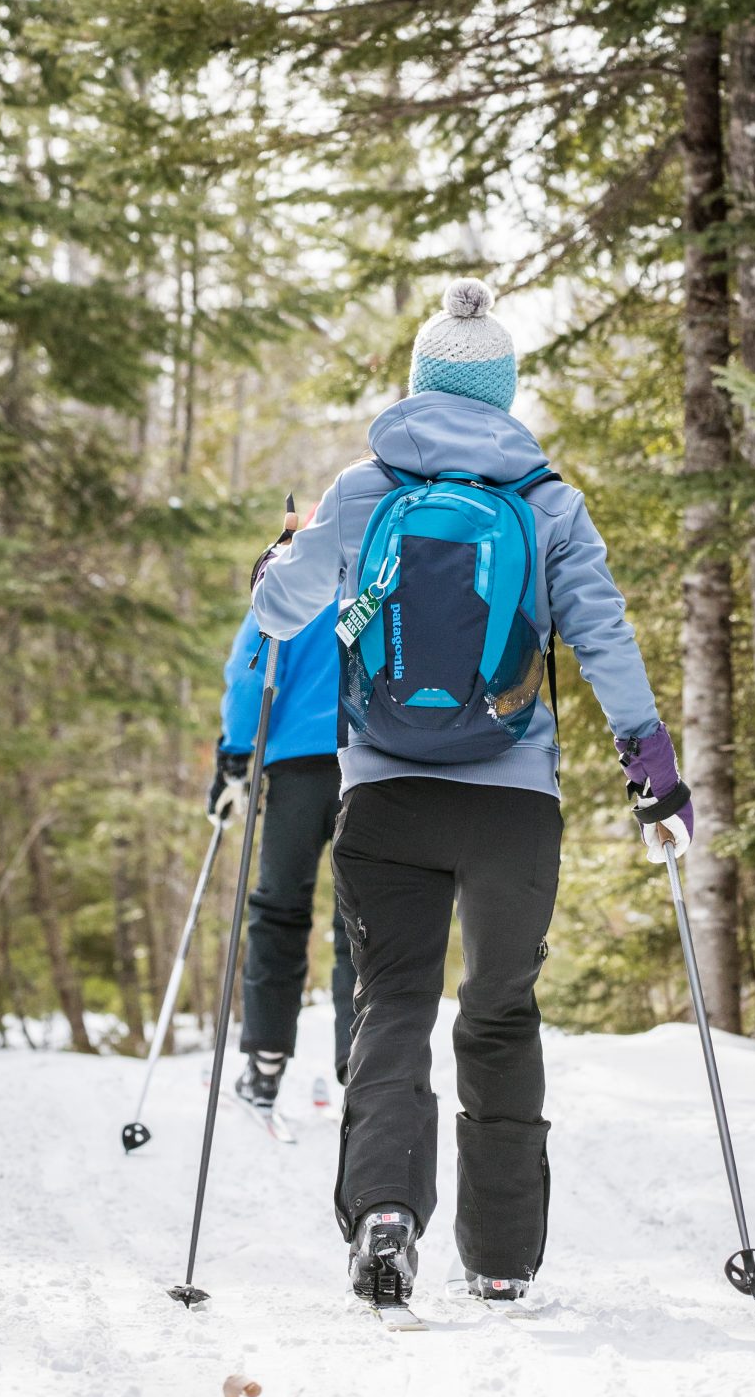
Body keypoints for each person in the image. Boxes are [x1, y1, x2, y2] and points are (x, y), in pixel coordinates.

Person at [247, 278, 692, 1309]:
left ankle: (385, 1216)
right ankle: (500, 1256)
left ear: (417, 382)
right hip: (513, 807)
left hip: (387, 797)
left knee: (391, 1005)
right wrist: (652, 770)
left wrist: (279, 560)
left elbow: (279, 613)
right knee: (498, 1012)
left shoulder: (364, 490)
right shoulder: (548, 503)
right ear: (503, 391)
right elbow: (604, 638)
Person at [209, 581, 354, 1118]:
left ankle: (265, 1064)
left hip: (295, 769)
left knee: (278, 911)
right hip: (370, 766)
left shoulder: (293, 578)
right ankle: (360, 1068)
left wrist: (233, 754)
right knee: (362, 920)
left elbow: (251, 674)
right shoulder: (389, 567)